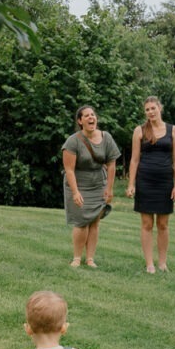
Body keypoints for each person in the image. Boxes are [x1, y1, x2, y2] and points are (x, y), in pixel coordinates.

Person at [126, 96, 175, 274]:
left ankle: (162, 262)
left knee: (163, 224)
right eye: (147, 110)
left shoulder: (173, 130)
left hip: (165, 182)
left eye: (153, 108)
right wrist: (131, 184)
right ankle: (149, 263)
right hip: (145, 181)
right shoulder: (139, 131)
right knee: (147, 223)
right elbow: (134, 160)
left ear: (160, 108)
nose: (150, 112)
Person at [62, 106, 120, 268]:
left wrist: (109, 188)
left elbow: (112, 165)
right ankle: (76, 258)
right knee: (81, 221)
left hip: (98, 184)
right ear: (80, 121)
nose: (90, 118)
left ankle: (90, 259)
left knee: (94, 221)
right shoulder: (73, 141)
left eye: (93, 115)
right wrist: (75, 192)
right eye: (86, 116)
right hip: (78, 184)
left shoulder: (106, 137)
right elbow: (69, 170)